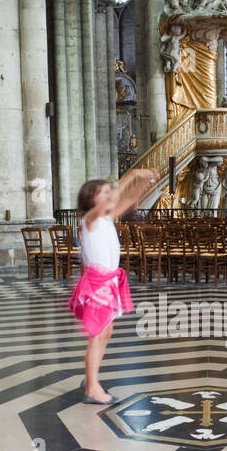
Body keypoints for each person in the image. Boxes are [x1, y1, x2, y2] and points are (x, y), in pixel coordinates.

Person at [70, 170, 157, 405]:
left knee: (105, 332)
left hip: (108, 283)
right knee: (97, 335)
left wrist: (144, 185)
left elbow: (128, 202)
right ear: (91, 200)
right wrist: (133, 175)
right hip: (98, 285)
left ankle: (92, 378)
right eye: (104, 193)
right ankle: (91, 388)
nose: (110, 196)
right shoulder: (91, 218)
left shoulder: (105, 218)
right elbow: (117, 196)